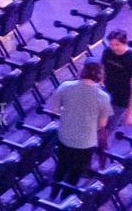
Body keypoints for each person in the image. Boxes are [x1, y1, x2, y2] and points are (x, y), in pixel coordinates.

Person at [48, 62, 113, 197]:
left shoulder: (65, 86)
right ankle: (65, 198)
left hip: (65, 136)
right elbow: (102, 124)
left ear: (82, 71)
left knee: (61, 166)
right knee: (75, 172)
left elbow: (53, 109)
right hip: (86, 142)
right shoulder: (103, 97)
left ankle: (53, 194)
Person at [100, 30, 132, 133]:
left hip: (120, 100)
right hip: (106, 93)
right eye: (111, 44)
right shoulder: (107, 52)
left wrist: (129, 114)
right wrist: (101, 83)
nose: (114, 47)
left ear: (125, 42)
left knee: (107, 130)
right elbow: (102, 70)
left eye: (117, 44)